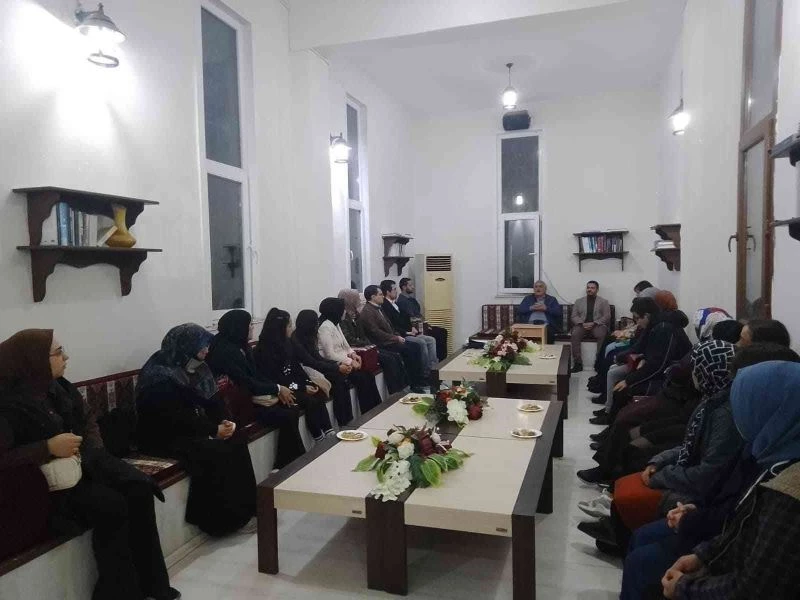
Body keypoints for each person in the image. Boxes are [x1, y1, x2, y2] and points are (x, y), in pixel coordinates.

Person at [0, 330, 179, 600]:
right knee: (112, 505)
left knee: (139, 490)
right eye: (58, 352)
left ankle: (153, 583)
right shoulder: (8, 403)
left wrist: (92, 452)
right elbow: (5, 458)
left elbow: (87, 420)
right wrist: (47, 447)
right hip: (47, 486)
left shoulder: (59, 387)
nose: (66, 357)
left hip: (85, 465)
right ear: (33, 359)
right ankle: (119, 592)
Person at [620, 343, 800, 600]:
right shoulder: (763, 447)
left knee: (642, 565)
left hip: (716, 546)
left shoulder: (787, 489)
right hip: (714, 534)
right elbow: (739, 516)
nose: (739, 408)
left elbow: (754, 587)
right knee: (641, 541)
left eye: (746, 399)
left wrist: (685, 586)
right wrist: (703, 554)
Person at [136, 324, 256, 538]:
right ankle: (219, 522)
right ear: (186, 347)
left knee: (237, 439)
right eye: (202, 346)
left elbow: (213, 401)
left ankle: (248, 510)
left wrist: (225, 422)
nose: (207, 350)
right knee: (216, 452)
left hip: (192, 428)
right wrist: (213, 430)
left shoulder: (198, 367)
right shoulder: (159, 376)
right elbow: (173, 417)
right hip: (163, 436)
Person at [205, 309, 306, 469]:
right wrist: (277, 388)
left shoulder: (240, 345)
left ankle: (286, 462)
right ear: (239, 327)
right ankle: (289, 463)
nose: (252, 327)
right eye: (250, 324)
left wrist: (279, 388)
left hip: (250, 396)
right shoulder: (225, 351)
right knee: (287, 413)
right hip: (236, 407)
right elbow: (246, 382)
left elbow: (256, 375)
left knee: (291, 408)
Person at [253, 309, 335, 441]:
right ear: (280, 328)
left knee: (318, 394)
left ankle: (329, 430)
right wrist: (302, 387)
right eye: (289, 325)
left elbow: (296, 368)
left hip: (292, 385)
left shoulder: (288, 343)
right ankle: (319, 437)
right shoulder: (264, 350)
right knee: (309, 401)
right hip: (278, 391)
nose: (292, 328)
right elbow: (277, 379)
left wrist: (308, 383)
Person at [318, 297, 382, 415]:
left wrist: (353, 354)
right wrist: (350, 361)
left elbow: (345, 344)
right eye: (342, 309)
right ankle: (368, 413)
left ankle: (377, 408)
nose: (344, 312)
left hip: (345, 360)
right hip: (335, 364)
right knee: (361, 378)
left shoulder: (335, 323)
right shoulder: (325, 327)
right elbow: (329, 354)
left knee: (368, 374)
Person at [338, 288, 408, 394]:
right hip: (355, 350)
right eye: (357, 298)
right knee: (389, 359)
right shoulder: (343, 318)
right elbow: (349, 339)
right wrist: (366, 344)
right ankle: (395, 392)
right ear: (350, 300)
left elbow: (363, 334)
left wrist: (369, 345)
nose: (359, 300)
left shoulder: (356, 315)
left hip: (365, 346)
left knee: (395, 356)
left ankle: (403, 387)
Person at [360, 285, 428, 393]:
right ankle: (413, 384)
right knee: (409, 350)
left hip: (391, 339)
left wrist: (397, 335)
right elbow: (375, 332)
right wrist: (395, 337)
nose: (383, 296)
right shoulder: (367, 311)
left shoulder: (378, 308)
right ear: (373, 297)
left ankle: (418, 380)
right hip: (382, 343)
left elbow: (390, 325)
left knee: (415, 346)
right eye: (380, 294)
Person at [380, 279, 438, 375]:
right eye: (394, 289)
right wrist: (407, 332)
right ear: (387, 292)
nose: (397, 291)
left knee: (431, 340)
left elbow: (406, 318)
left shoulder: (394, 303)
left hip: (408, 331)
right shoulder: (385, 306)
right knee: (421, 342)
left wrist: (412, 328)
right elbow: (392, 325)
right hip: (401, 334)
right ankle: (425, 372)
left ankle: (433, 368)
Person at [397, 277, 449, 360]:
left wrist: (427, 324)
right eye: (410, 285)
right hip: (415, 327)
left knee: (442, 331)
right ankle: (436, 361)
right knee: (438, 334)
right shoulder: (401, 301)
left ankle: (441, 360)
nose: (413, 287)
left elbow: (418, 314)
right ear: (404, 287)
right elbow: (411, 317)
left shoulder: (412, 299)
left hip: (421, 324)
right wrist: (423, 326)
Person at [570, 280, 611, 372]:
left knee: (602, 334)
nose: (589, 290)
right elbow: (574, 316)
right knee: (575, 334)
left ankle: (599, 363)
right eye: (588, 288)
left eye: (592, 288)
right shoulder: (579, 301)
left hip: (597, 325)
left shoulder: (603, 302)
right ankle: (578, 363)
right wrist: (582, 323)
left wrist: (594, 323)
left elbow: (607, 316)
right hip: (582, 325)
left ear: (597, 290)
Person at [516, 280, 563, 344]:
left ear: (545, 289)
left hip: (547, 325)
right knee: (521, 335)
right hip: (529, 325)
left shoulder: (552, 299)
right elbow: (519, 310)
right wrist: (531, 308)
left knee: (549, 333)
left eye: (540, 286)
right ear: (534, 289)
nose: (538, 289)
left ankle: (547, 350)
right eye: (536, 287)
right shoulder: (528, 299)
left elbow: (558, 312)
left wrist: (546, 308)